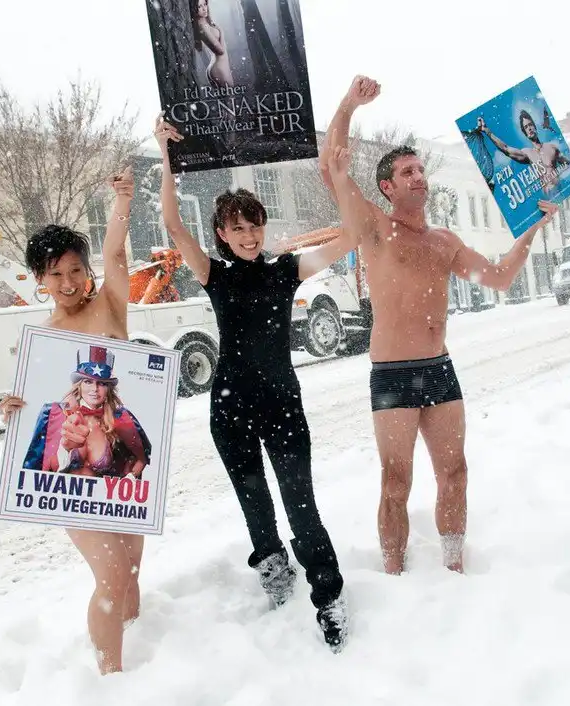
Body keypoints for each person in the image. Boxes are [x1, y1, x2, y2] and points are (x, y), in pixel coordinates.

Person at [319, 76, 559, 576]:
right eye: (406, 171)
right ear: (387, 187)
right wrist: (348, 105)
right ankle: (393, 571)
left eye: (420, 169)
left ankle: (453, 567)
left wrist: (533, 227)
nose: (418, 176)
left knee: (455, 473)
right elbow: (331, 166)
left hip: (439, 369)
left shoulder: (444, 242)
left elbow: (500, 277)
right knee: (396, 482)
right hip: (392, 374)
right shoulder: (374, 228)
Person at [154, 113, 356, 653]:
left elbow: (352, 236)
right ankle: (273, 569)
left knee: (300, 501)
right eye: (237, 228)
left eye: (255, 226)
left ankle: (328, 593)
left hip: (282, 402)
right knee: (255, 502)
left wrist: (339, 177)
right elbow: (173, 224)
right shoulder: (213, 274)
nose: (248, 236)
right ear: (222, 234)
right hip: (231, 407)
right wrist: (166, 155)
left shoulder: (285, 270)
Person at [0, 166, 142, 675]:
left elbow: (117, 254)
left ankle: (144, 646)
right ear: (39, 280)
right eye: (55, 274)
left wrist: (122, 201)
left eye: (75, 270)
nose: (68, 282)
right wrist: (10, 410)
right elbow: (31, 417)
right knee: (112, 574)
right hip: (73, 478)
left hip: (122, 469)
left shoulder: (110, 307)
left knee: (131, 571)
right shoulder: (40, 342)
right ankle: (111, 678)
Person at [21, 344, 151, 479]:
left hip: (99, 492)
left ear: (108, 389)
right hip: (57, 492)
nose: (95, 389)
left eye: (102, 383)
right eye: (88, 382)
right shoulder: (53, 413)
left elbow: (143, 455)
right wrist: (65, 448)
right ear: (79, 385)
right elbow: (32, 467)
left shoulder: (120, 418)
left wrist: (130, 477)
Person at [477, 111, 570, 195]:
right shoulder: (528, 153)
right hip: (549, 198)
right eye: (526, 127)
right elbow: (506, 149)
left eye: (530, 125)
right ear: (525, 132)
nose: (529, 128)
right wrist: (486, 130)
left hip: (562, 192)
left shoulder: (551, 147)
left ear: (534, 126)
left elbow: (569, 164)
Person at [191, 0, 234, 88]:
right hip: (220, 68)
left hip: (218, 66)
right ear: (194, 9)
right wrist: (221, 32)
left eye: (205, 4)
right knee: (230, 95)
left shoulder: (204, 23)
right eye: (199, 6)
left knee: (227, 95)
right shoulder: (202, 26)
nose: (204, 8)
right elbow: (221, 51)